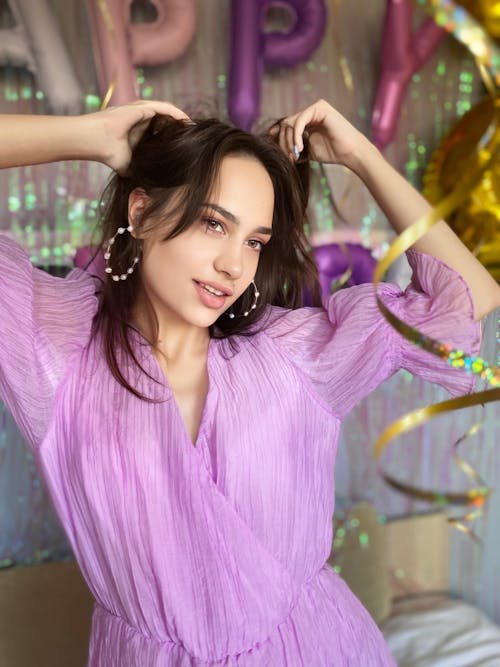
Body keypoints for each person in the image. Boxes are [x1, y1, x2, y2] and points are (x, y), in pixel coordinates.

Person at [0, 98, 498, 666]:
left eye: (254, 242)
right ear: (139, 214)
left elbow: (471, 298)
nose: (234, 266)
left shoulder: (297, 357)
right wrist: (90, 137)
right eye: (214, 224)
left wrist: (360, 155)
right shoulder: (55, 356)